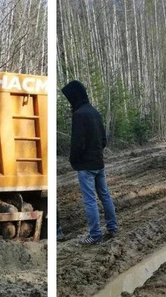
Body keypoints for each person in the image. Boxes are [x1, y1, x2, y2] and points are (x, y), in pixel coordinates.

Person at [61, 80, 118, 245]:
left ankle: (95, 235)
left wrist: (74, 161)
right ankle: (112, 228)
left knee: (90, 200)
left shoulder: (79, 115)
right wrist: (97, 152)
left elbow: (77, 143)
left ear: (74, 97)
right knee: (105, 196)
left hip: (86, 167)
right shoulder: (95, 112)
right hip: (99, 163)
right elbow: (103, 140)